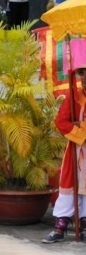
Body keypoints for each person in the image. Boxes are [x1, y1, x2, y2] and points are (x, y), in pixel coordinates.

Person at [44, 54, 86, 243]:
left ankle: (84, 226)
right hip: (75, 149)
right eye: (82, 73)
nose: (85, 77)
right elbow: (61, 122)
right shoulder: (72, 97)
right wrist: (81, 134)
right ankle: (60, 227)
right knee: (70, 185)